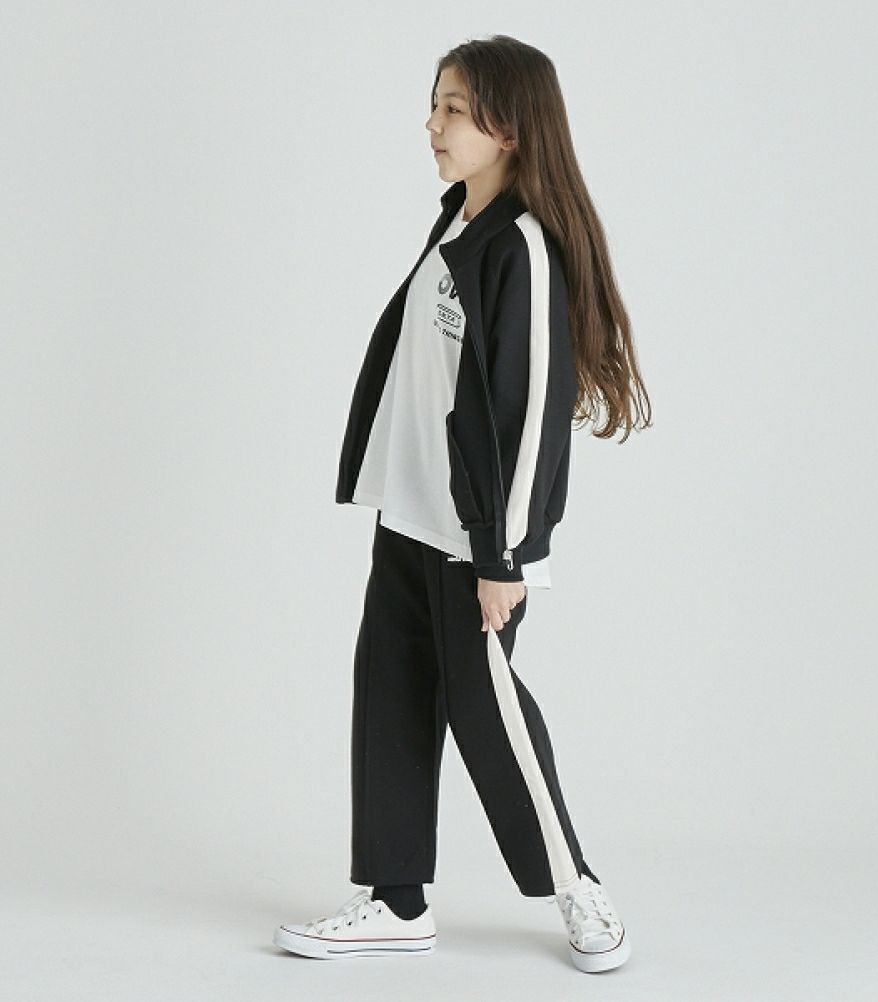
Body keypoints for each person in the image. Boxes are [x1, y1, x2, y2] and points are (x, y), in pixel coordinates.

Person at [273, 34, 652, 974]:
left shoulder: (520, 247)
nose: (432, 125)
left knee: (490, 714)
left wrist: (504, 555)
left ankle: (576, 886)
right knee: (391, 697)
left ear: (510, 128)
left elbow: (529, 415)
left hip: (474, 539)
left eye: (453, 109)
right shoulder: (457, 222)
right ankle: (396, 901)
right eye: (433, 104)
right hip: (410, 517)